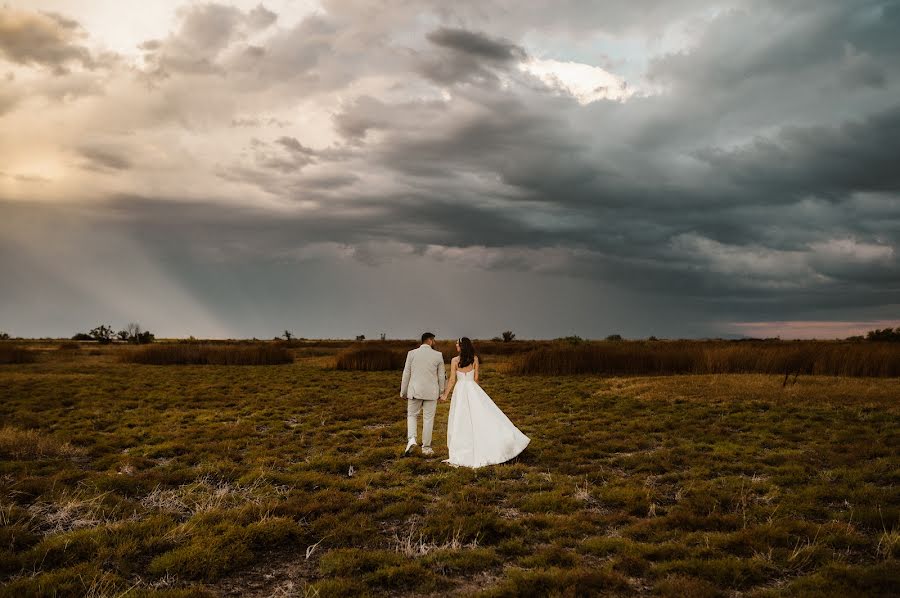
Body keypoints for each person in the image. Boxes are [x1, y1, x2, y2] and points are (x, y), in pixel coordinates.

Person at [440, 337, 530, 468]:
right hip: (473, 389)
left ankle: (464, 447)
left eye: (457, 344)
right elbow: (476, 379)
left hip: (460, 391)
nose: (455, 345)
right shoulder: (475, 359)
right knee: (482, 415)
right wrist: (476, 392)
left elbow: (452, 380)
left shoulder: (454, 360)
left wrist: (445, 395)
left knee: (461, 418)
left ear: (461, 346)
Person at [400, 332, 446, 456]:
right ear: (430, 340)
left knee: (412, 415)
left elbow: (406, 373)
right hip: (431, 392)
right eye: (434, 341)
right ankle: (426, 448)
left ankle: (412, 439)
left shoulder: (412, 354)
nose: (435, 343)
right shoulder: (438, 355)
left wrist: (403, 391)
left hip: (415, 391)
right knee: (428, 419)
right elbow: (442, 376)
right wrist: (442, 392)